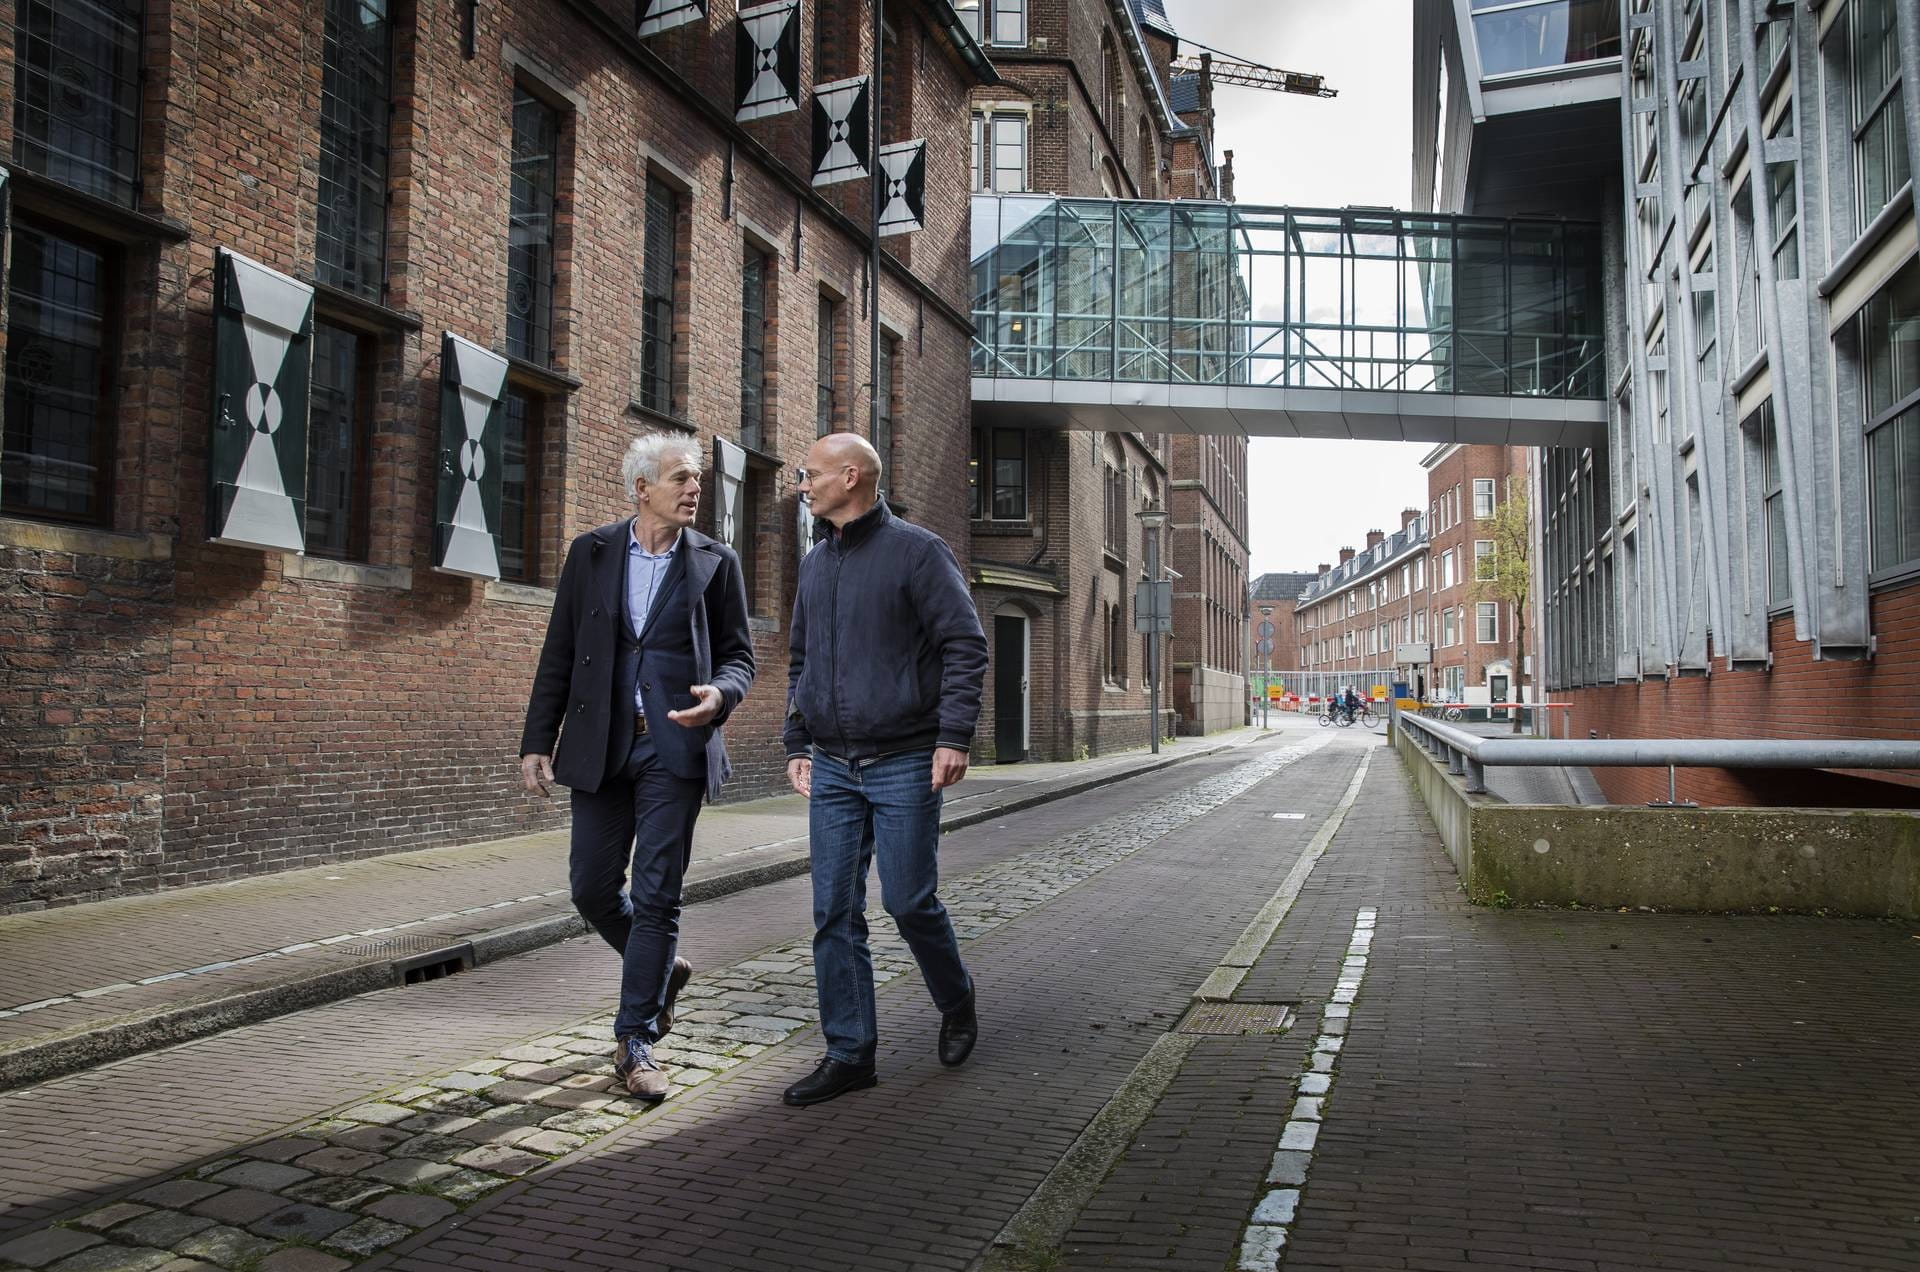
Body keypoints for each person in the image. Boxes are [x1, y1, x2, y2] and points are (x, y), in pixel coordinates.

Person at [519, 434, 755, 1102]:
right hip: (599, 745)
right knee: (591, 889)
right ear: (640, 488)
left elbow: (740, 655)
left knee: (657, 894)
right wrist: (538, 739)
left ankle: (635, 1041)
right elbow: (558, 651)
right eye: (680, 478)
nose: (693, 489)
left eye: (698, 480)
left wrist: (722, 694)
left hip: (673, 748)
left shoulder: (716, 562)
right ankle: (662, 972)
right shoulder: (590, 553)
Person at [780, 432, 989, 1107]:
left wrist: (952, 736)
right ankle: (850, 1053)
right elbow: (801, 660)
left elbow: (965, 644)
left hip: (905, 760)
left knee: (907, 900)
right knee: (832, 911)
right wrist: (795, 740)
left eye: (810, 474)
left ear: (850, 476)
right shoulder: (814, 562)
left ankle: (955, 997)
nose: (802, 484)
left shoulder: (919, 553)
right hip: (833, 766)